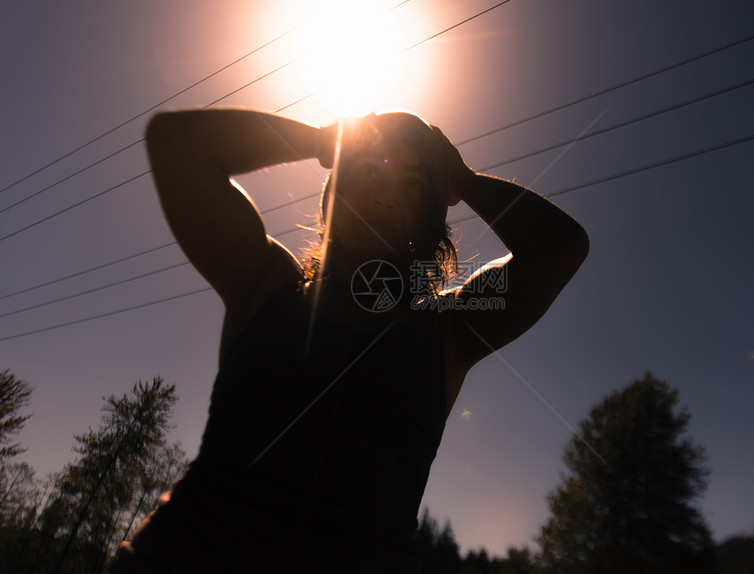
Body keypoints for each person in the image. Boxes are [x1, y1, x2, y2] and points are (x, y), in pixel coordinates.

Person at [111, 107, 589, 573]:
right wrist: (323, 141)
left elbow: (560, 246)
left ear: (426, 219)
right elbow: (177, 142)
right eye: (368, 171)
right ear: (332, 194)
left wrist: (459, 179)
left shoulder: (448, 329)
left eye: (412, 184)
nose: (386, 196)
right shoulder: (265, 283)